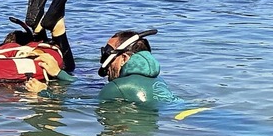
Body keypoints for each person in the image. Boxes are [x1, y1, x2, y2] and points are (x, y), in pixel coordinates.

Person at [26, 29, 180, 106]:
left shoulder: (121, 87)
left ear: (124, 58)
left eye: (107, 53)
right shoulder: (154, 80)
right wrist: (59, 73)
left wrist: (43, 93)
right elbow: (93, 89)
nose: (104, 60)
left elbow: (80, 104)